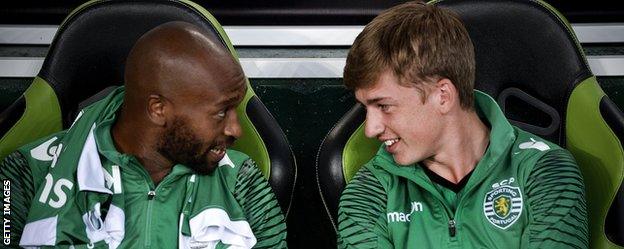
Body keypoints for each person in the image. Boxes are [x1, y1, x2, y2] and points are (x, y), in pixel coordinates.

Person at [0, 21, 287, 248]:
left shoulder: (244, 183)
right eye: (221, 112)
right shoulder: (23, 177)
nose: (236, 130)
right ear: (158, 109)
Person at [337, 1, 588, 248]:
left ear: (443, 96)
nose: (370, 129)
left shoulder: (547, 171)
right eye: (366, 108)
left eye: (384, 106)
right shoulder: (367, 194)